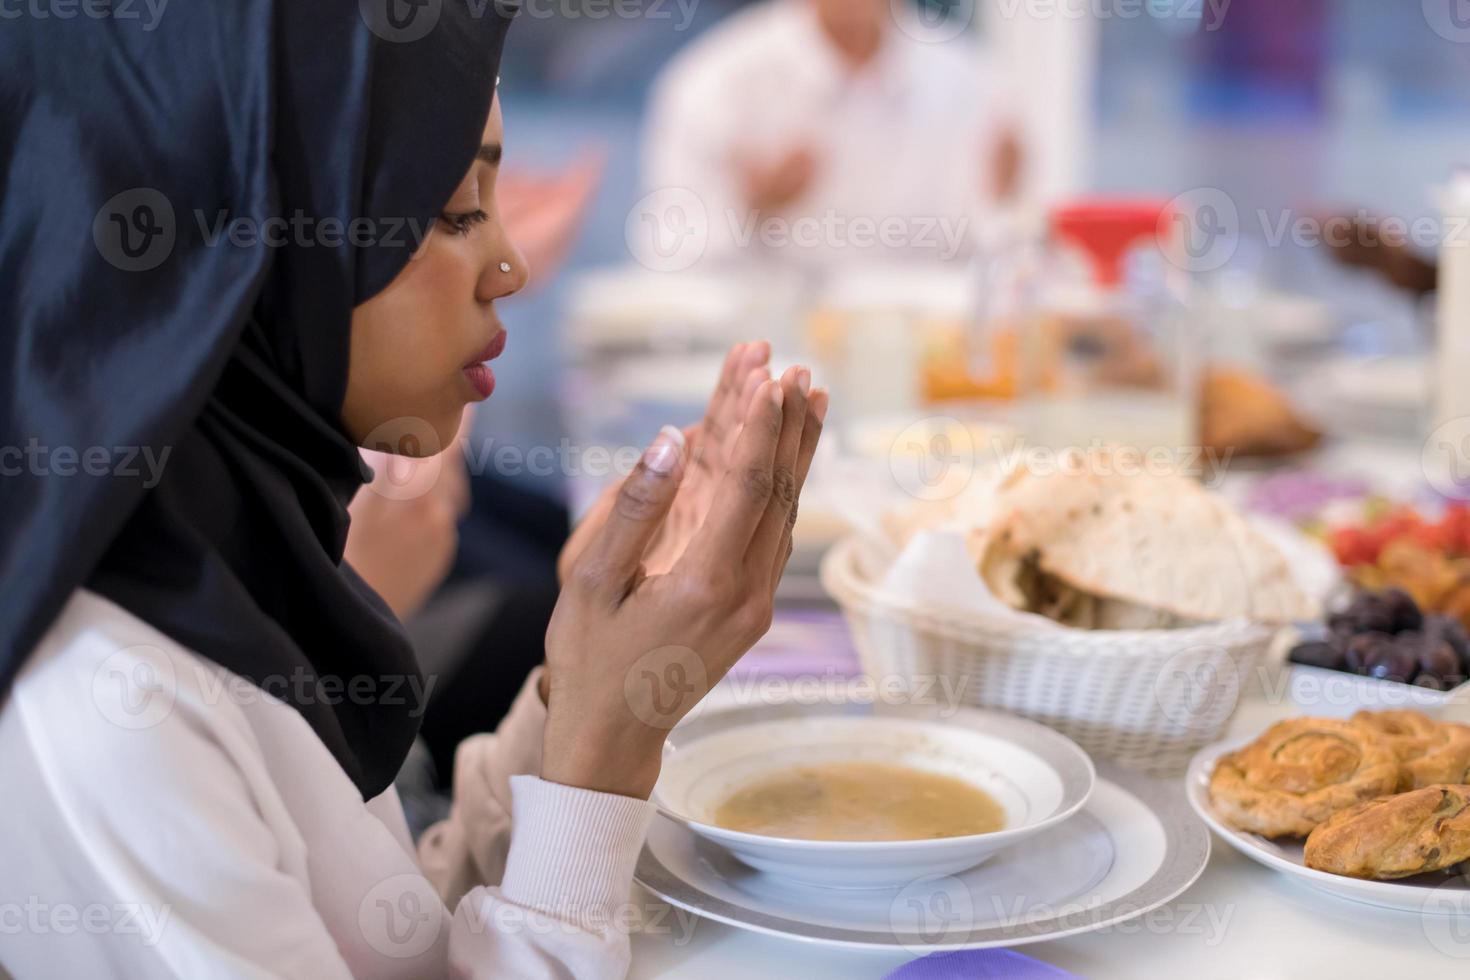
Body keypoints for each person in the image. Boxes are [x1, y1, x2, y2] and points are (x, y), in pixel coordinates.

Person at [0, 4, 826, 978]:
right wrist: (608, 750)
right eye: (453, 211)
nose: (511, 266)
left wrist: (586, 677)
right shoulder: (115, 703)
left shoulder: (235, 531)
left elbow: (403, 941)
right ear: (241, 233)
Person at [642, 0, 1021, 270]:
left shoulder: (970, 83)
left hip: (926, 362)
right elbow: (667, 262)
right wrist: (752, 209)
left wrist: (1003, 207)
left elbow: (989, 258)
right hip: (768, 360)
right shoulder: (716, 84)